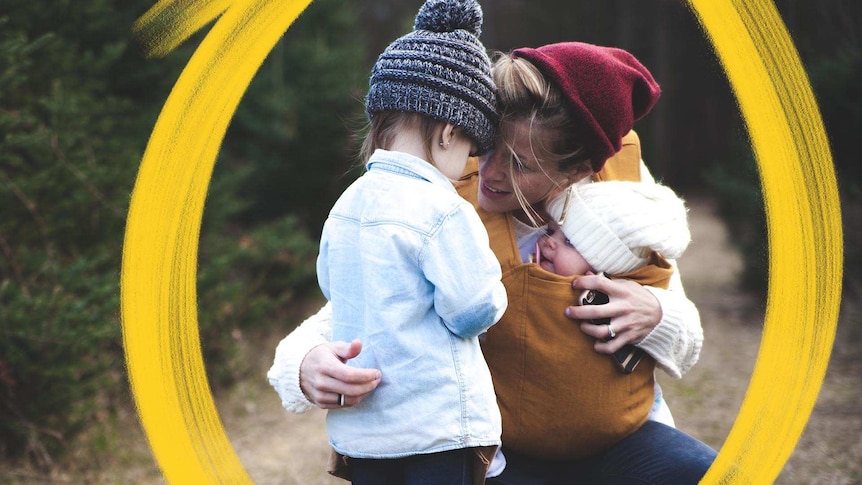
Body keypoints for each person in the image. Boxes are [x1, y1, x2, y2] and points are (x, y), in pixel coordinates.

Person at [269, 41, 717, 483]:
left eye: (520, 163)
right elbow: (359, 297)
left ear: (578, 169)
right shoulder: (442, 202)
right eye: (487, 147)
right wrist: (303, 364)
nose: (490, 171)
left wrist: (658, 316)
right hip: (499, 453)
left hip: (622, 444)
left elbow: (688, 339)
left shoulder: (622, 201)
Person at [310, 0, 507, 483]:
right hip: (438, 431)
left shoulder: (345, 205)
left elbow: (332, 289)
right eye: (470, 150)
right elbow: (472, 310)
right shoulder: (441, 208)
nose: (469, 166)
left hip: (364, 435)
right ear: (447, 133)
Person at [537, 180, 691, 421]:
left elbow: (687, 347)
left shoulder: (619, 299)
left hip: (634, 418)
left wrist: (660, 316)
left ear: (603, 268)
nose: (549, 241)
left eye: (569, 242)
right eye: (549, 230)